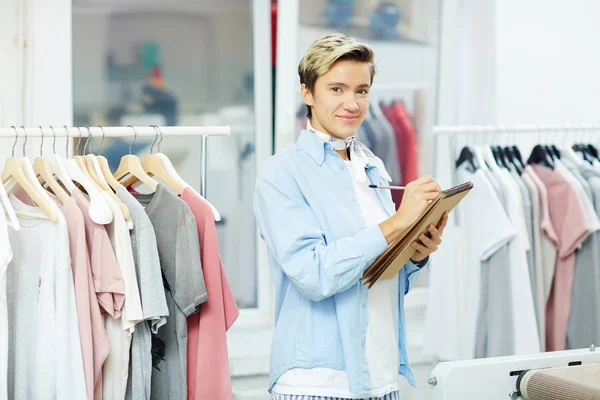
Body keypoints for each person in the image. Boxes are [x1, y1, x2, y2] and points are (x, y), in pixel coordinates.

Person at [253, 34, 448, 400]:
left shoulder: (371, 165)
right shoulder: (282, 174)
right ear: (307, 93)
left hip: (381, 376)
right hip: (317, 385)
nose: (352, 103)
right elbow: (314, 275)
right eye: (337, 89)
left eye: (361, 90)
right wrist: (397, 223)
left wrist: (417, 252)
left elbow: (380, 277)